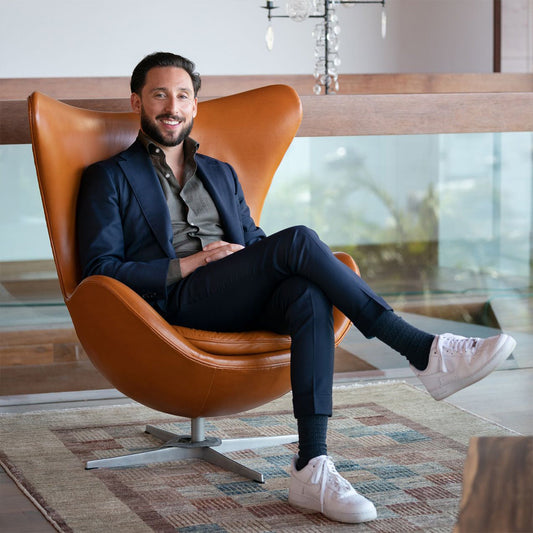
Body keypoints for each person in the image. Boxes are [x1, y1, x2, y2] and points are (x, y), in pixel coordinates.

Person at [77, 52, 517, 524]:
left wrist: (266, 260)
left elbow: (256, 244)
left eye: (182, 95)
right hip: (174, 304)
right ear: (137, 101)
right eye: (159, 94)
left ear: (195, 105)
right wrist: (191, 263)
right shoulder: (109, 177)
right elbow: (100, 269)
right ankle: (421, 349)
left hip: (233, 293)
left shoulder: (220, 173)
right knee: (302, 239)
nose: (171, 106)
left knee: (307, 295)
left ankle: (312, 464)